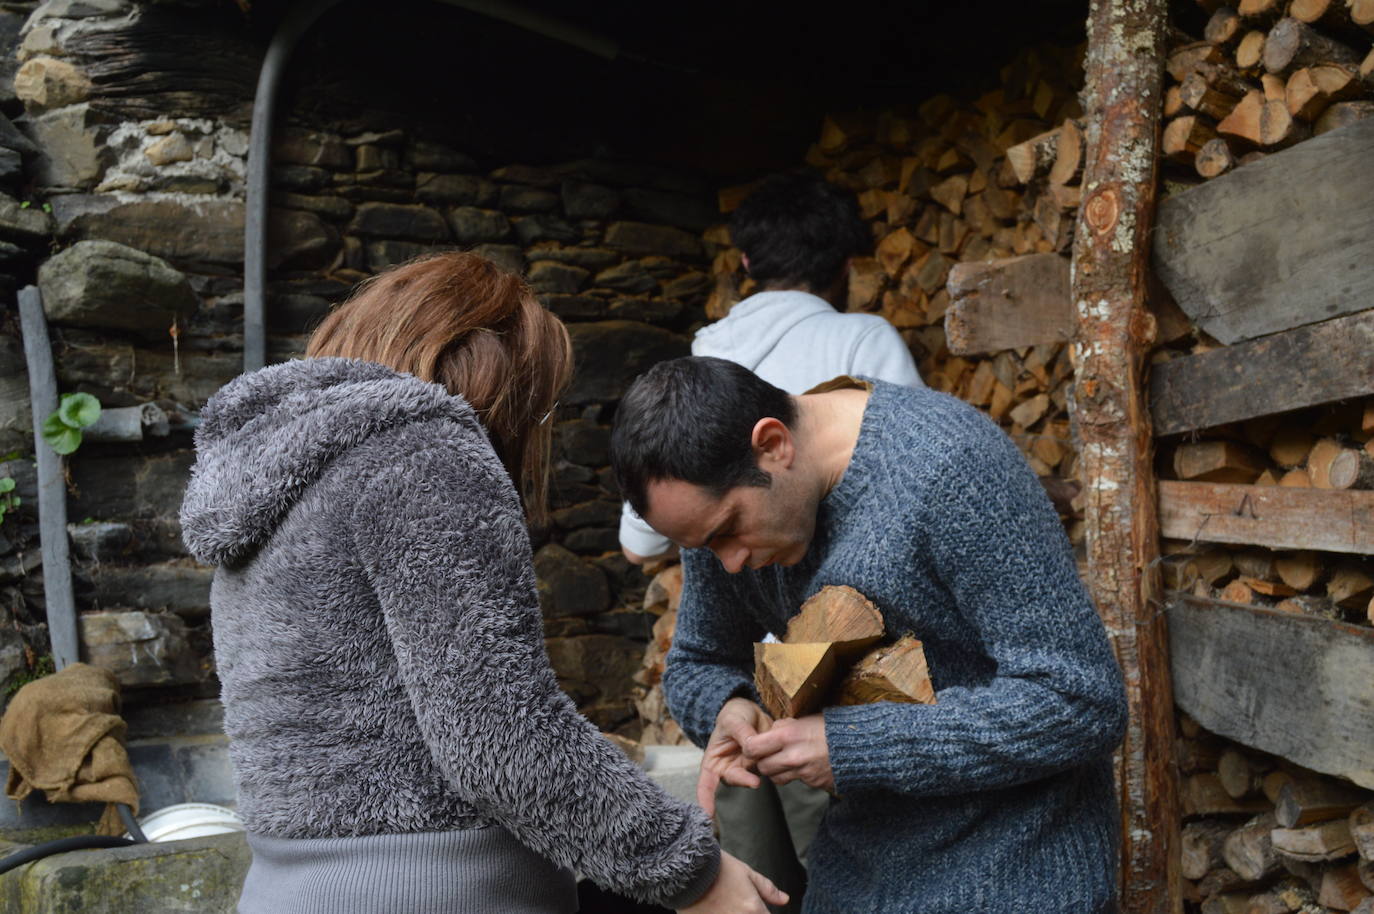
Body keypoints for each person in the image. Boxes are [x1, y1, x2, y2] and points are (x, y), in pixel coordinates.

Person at [180, 253, 787, 914]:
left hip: (281, 888)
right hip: (437, 892)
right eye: (539, 409)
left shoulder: (278, 479)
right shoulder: (424, 454)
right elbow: (500, 734)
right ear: (494, 375)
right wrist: (691, 872)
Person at [609, 356, 1129, 914]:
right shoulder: (721, 513)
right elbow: (697, 660)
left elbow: (1082, 700)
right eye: (703, 547)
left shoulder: (950, 467)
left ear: (773, 444)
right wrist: (729, 709)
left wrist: (853, 746)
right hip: (853, 880)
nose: (729, 564)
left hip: (1018, 879)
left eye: (728, 532)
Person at [619, 172, 921, 566]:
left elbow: (637, 547)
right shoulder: (863, 338)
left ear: (746, 262)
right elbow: (916, 477)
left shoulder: (699, 358)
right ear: (847, 266)